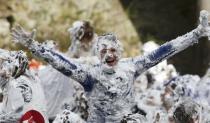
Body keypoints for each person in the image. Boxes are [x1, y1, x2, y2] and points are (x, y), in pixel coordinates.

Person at [12, 10, 210, 123]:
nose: (109, 54)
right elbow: (62, 63)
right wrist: (33, 46)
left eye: (113, 50)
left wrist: (196, 34)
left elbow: (165, 50)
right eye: (104, 51)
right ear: (98, 55)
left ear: (120, 51)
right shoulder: (90, 75)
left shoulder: (131, 67)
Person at [37, 20, 97, 120]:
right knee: (56, 74)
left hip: (88, 73)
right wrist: (57, 53)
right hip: (75, 69)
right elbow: (70, 56)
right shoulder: (77, 43)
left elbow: (97, 60)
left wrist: (82, 61)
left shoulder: (96, 44)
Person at [0, 49, 48, 122]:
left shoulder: (18, 83)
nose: (1, 71)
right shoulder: (23, 79)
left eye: (2, 66)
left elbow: (17, 114)